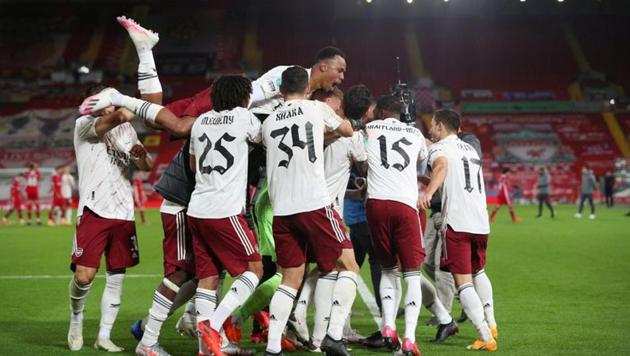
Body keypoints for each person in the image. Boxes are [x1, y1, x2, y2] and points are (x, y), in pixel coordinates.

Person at [261, 66, 356, 356]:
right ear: (306, 88)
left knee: (291, 278)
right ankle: (335, 335)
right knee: (349, 265)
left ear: (280, 90)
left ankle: (273, 345)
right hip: (314, 203)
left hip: (282, 210)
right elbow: (348, 130)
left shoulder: (268, 122)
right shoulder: (316, 108)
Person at [68, 85, 152, 352]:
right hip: (94, 209)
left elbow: (145, 166)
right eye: (107, 100)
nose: (111, 105)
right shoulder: (84, 124)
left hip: (123, 212)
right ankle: (76, 317)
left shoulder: (126, 130)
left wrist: (142, 157)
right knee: (84, 276)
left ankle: (104, 336)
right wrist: (141, 104)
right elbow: (118, 117)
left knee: (117, 276)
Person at [420, 109, 498, 352]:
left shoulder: (439, 149)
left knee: (463, 282)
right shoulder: (470, 148)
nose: (431, 129)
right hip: (480, 220)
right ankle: (492, 323)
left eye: (433, 125)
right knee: (479, 271)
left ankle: (485, 336)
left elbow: (439, 166)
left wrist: (429, 192)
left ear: (441, 126)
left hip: (457, 221)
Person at [363, 95, 428, 356]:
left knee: (388, 269)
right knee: (412, 274)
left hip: (376, 204)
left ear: (380, 111)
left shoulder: (369, 129)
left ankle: (388, 326)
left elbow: (361, 158)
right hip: (404, 205)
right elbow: (421, 165)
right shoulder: (415, 133)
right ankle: (409, 338)